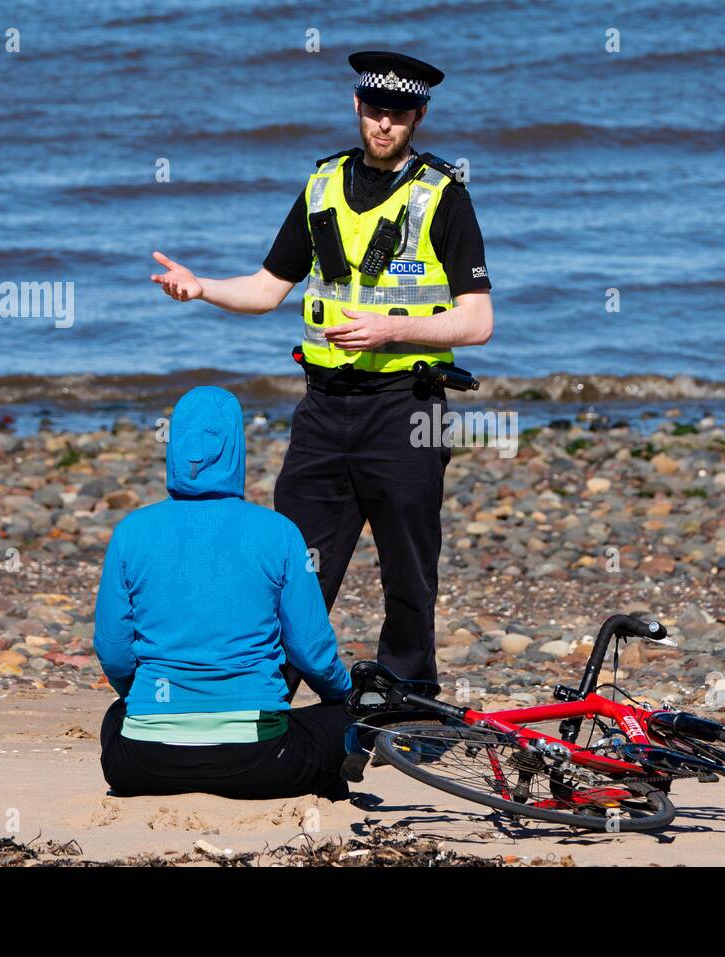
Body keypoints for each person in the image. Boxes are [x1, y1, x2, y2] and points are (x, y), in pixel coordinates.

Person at [150, 50, 492, 687]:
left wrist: (396, 329)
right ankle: (268, 688)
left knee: (410, 568)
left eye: (399, 114)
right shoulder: (321, 186)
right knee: (295, 564)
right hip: (323, 410)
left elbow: (477, 322)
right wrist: (201, 290)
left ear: (419, 116)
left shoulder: (443, 196)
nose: (384, 125)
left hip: (407, 408)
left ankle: (407, 692)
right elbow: (262, 289)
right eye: (375, 111)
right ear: (357, 108)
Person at [94, 386, 354, 801]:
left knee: (116, 717)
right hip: (262, 761)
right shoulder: (279, 532)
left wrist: (138, 695)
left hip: (141, 764)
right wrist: (341, 697)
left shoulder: (131, 531)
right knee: (347, 721)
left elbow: (113, 649)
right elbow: (310, 651)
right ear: (237, 449)